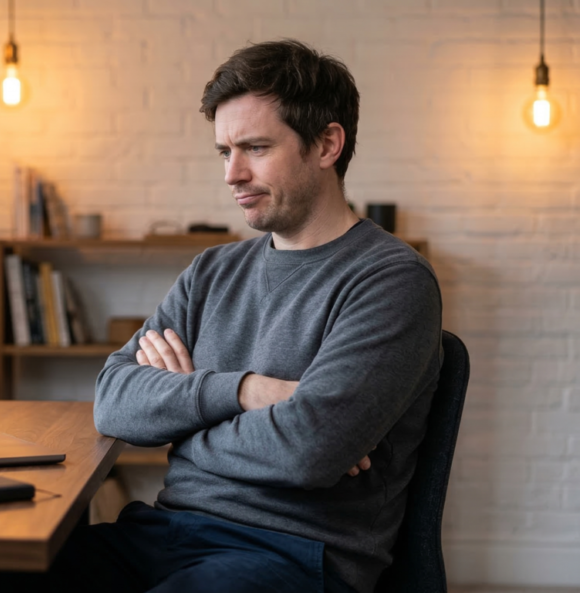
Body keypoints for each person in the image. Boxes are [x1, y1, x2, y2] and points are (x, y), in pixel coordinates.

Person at [48, 40, 443, 593]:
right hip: (165, 530)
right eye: (223, 152)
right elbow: (113, 401)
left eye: (255, 148)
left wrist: (181, 428)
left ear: (327, 144)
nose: (232, 174)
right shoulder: (211, 272)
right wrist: (246, 392)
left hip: (290, 555)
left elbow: (307, 452)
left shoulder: (391, 280)